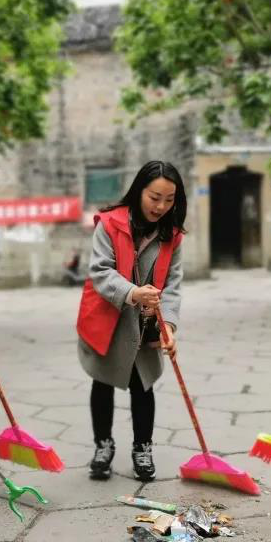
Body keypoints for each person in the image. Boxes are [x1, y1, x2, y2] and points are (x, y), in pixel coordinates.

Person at [76, 161, 185, 482]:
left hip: (147, 323)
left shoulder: (172, 236)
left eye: (169, 199)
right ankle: (103, 445)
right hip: (109, 315)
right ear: (139, 191)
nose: (161, 206)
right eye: (154, 197)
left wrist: (170, 327)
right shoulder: (109, 224)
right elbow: (100, 270)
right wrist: (134, 292)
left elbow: (174, 285)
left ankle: (143, 448)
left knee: (143, 384)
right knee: (103, 380)